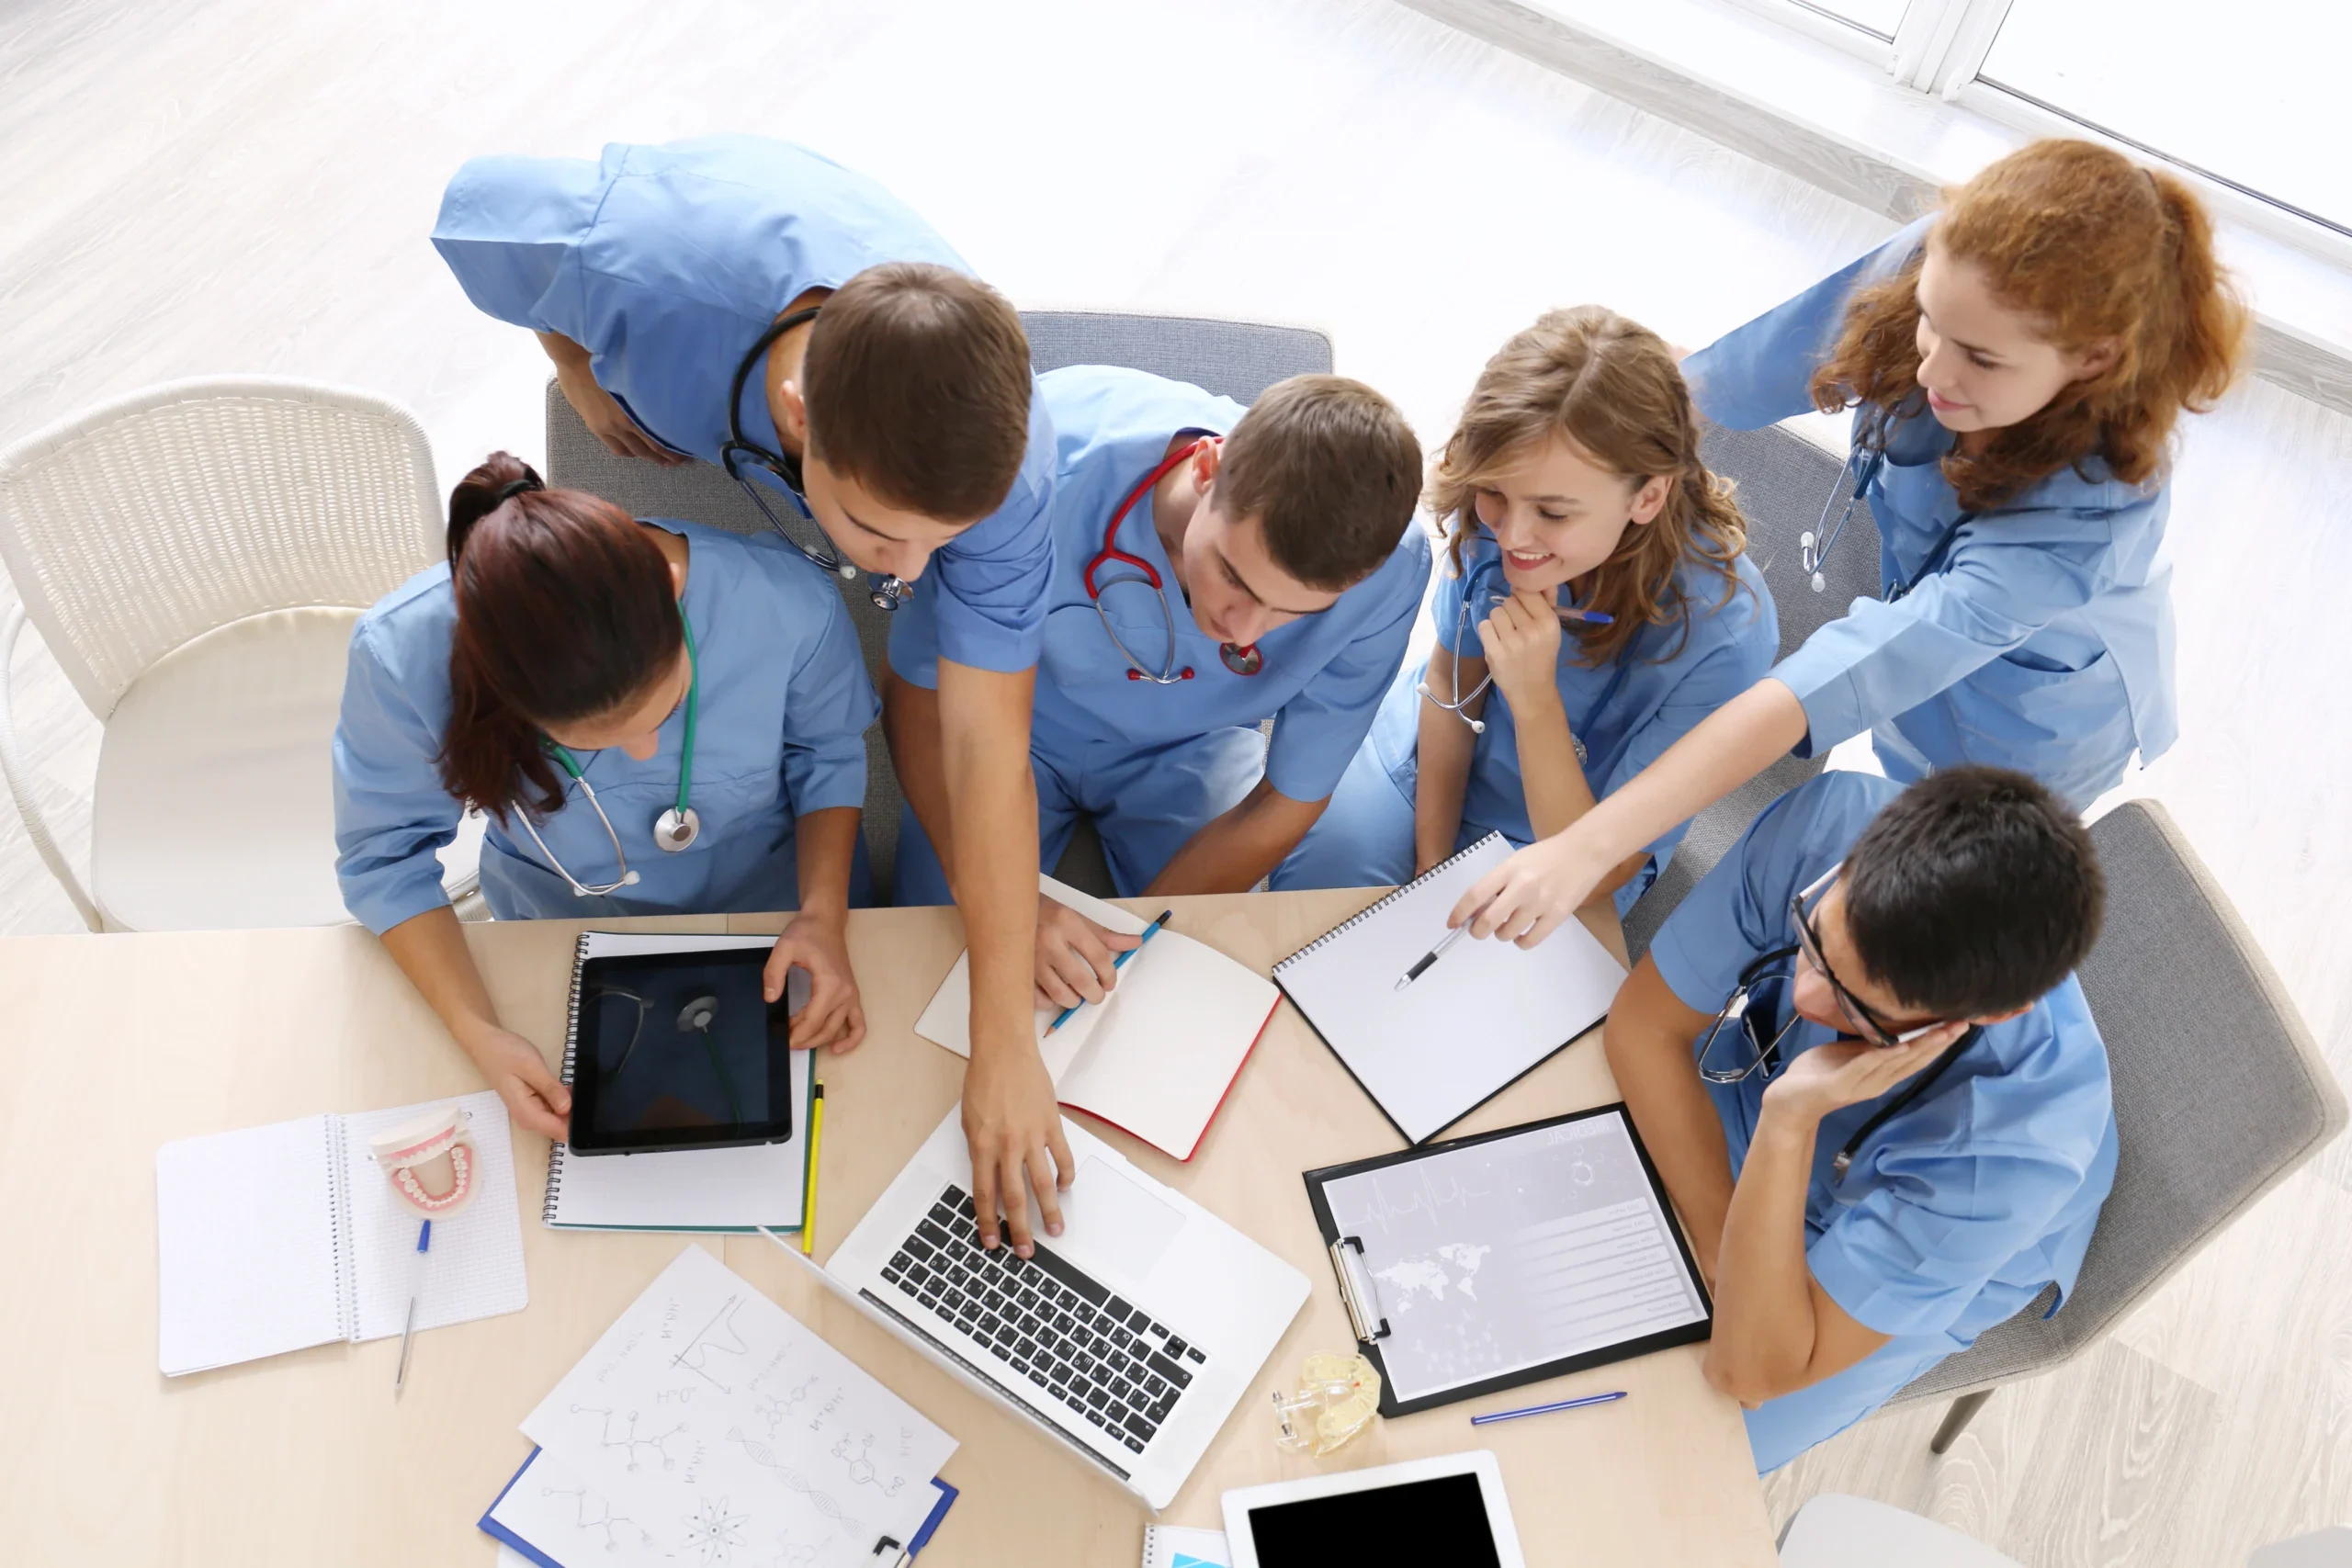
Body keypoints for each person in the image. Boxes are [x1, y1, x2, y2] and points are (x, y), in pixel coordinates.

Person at [434, 136, 1066, 1255]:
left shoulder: (1010, 482)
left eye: (942, 543)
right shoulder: (646, 275)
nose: (906, 582)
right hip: (695, 274)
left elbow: (985, 750)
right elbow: (478, 210)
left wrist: (1005, 1042)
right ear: (797, 416)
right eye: (879, 536)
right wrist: (571, 349)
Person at [1451, 139, 2249, 947]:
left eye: (1979, 358)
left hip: (2036, 708)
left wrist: (1584, 848)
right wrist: (1585, 432)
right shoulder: (1951, 266)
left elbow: (1836, 676)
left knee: (1937, 897)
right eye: (1932, 324)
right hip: (1917, 607)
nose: (1932, 369)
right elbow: (1744, 370)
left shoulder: (2091, 515)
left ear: (2094, 359)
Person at [334, 455, 877, 1142]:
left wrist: (823, 915)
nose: (647, 748)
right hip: (559, 936)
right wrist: (480, 1033)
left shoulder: (785, 605)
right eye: (598, 736)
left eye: (665, 706)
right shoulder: (401, 659)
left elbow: (827, 754)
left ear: (673, 587)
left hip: (780, 915)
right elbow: (385, 861)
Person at [1603, 765, 2114, 1471]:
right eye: (1813, 942)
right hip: (1765, 1083)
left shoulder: (2014, 1152)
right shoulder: (1832, 820)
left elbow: (1748, 1372)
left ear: (1983, 1017)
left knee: (1672, 1462)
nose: (1808, 995)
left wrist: (1788, 1120)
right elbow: (1641, 1028)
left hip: (1920, 1228)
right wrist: (1726, 1248)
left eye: (1858, 1006)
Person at [892, 367, 1426, 1005]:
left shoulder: (1391, 571)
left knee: (1196, 982)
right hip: (1004, 724)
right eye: (1235, 577)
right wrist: (1004, 901)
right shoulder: (1028, 470)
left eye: (1293, 613)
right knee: (925, 969)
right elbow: (916, 696)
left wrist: (1129, 951)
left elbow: (1286, 800)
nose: (1245, 632)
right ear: (1207, 467)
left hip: (1190, 747)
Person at [1274, 306, 1777, 914]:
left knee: (1479, 987)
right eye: (1494, 494)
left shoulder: (1725, 634)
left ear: (1648, 494)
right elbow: (1448, 683)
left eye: (1554, 513)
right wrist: (1431, 863)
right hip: (1429, 766)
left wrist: (1536, 699)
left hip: (1579, 840)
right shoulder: (1495, 509)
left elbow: (1601, 863)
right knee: (1304, 909)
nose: (1512, 535)